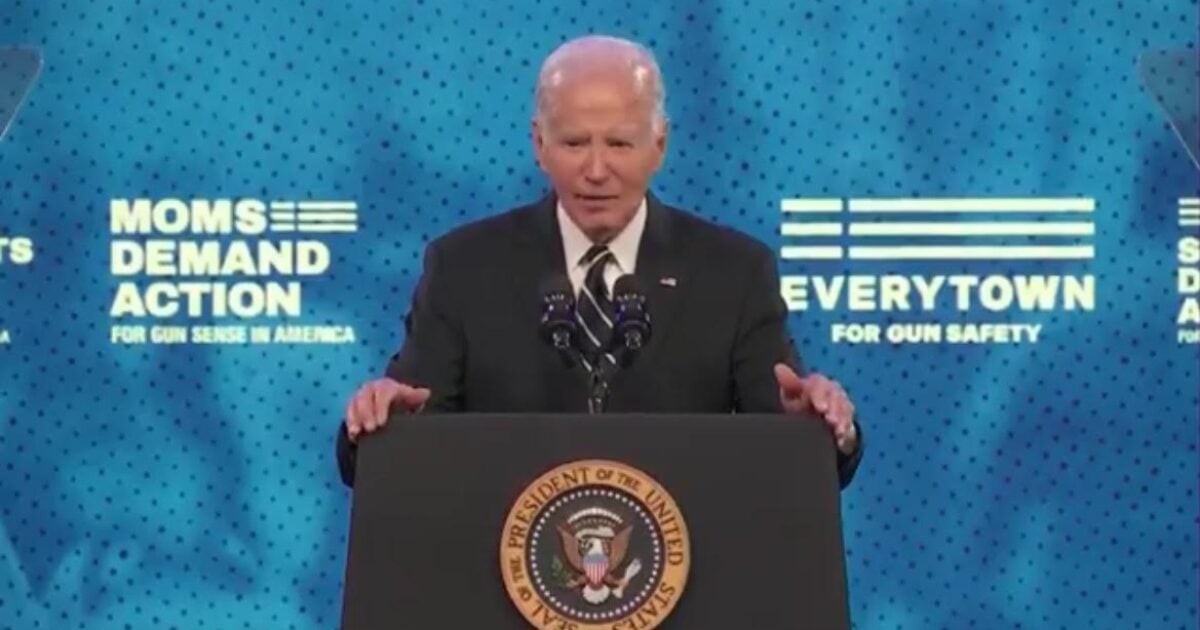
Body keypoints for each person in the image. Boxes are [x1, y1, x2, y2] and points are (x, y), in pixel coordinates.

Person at [337, 35, 863, 487]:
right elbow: (403, 433)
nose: (595, 169)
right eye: (574, 143)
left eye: (619, 144)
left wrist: (819, 427)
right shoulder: (464, 266)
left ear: (659, 145)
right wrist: (381, 422)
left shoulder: (734, 272)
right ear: (539, 144)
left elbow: (788, 449)